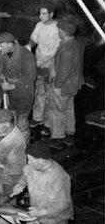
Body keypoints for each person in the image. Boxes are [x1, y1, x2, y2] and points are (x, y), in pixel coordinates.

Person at [10, 142, 73, 224]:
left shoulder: (58, 177)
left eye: (31, 160)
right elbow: (25, 175)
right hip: (36, 212)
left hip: (53, 218)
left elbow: (63, 204)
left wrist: (41, 212)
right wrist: (20, 184)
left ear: (41, 160)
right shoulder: (33, 166)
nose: (28, 162)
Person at [46, 20, 84, 150]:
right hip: (73, 85)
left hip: (63, 86)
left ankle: (57, 138)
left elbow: (63, 72)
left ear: (63, 32)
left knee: (57, 111)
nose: (58, 32)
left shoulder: (66, 49)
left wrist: (56, 85)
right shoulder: (77, 43)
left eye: (59, 30)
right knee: (69, 109)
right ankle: (69, 134)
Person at [0, 32, 36, 141]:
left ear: (9, 44)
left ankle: (24, 144)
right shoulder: (3, 52)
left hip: (23, 91)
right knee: (10, 117)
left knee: (22, 119)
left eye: (2, 45)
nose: (0, 48)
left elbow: (31, 77)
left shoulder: (27, 56)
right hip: (7, 90)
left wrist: (13, 86)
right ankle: (12, 141)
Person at [26, 5, 60, 129]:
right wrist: (29, 46)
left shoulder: (58, 28)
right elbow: (34, 38)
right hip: (39, 63)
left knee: (50, 94)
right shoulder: (39, 25)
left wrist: (45, 61)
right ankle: (38, 118)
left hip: (52, 65)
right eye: (40, 13)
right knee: (39, 90)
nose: (41, 16)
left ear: (51, 14)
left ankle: (49, 122)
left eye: (44, 13)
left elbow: (58, 49)